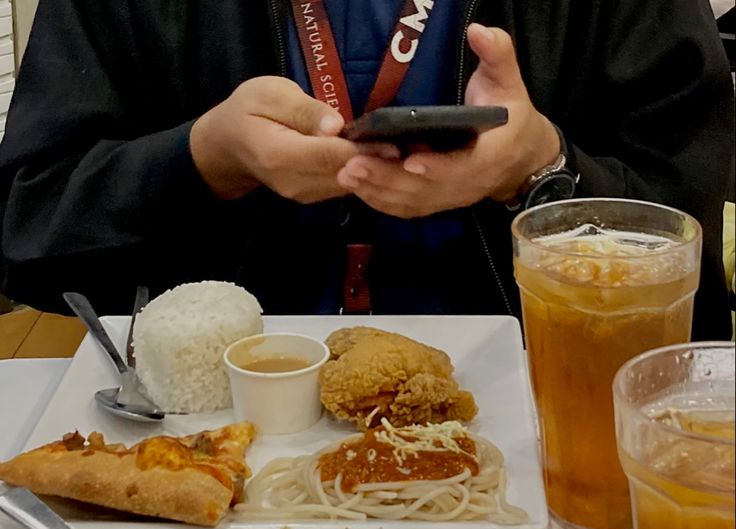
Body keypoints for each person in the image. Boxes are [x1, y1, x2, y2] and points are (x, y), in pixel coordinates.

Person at [0, 0, 732, 339]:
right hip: (205, 439)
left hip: (538, 432)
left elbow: (683, 234)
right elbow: (26, 234)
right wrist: (200, 160)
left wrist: (542, 171)